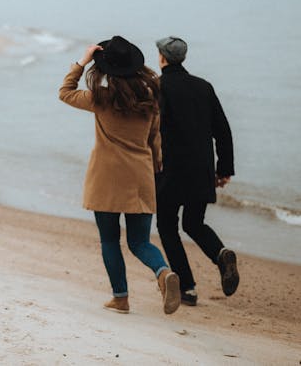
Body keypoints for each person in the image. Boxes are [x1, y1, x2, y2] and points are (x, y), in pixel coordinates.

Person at [59, 36, 180, 315]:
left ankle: (121, 298)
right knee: (140, 242)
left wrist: (83, 60)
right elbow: (155, 140)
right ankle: (163, 273)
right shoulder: (150, 99)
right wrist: (156, 167)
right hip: (140, 176)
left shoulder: (100, 99)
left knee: (110, 240)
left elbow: (65, 92)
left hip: (106, 177)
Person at [154, 36, 239, 306]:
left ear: (162, 58)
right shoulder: (204, 86)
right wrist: (224, 168)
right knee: (194, 223)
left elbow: (152, 130)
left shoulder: (159, 87)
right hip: (201, 171)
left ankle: (188, 288)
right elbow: (222, 131)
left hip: (169, 171)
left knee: (167, 226)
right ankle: (220, 254)